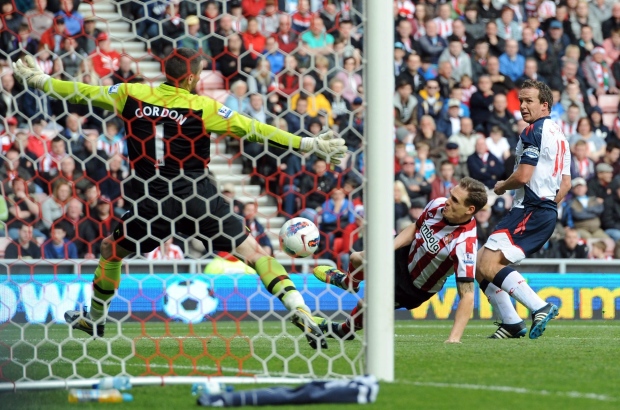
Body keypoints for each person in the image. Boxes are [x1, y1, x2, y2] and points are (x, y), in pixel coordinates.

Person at [12, 48, 347, 349]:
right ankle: (302, 311)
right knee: (255, 253)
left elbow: (81, 92)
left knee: (111, 252)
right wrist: (307, 144)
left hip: (152, 202)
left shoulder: (131, 93)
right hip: (199, 195)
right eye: (199, 76)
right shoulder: (203, 106)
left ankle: (97, 320)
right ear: (190, 78)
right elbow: (255, 129)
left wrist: (40, 80)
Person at [311, 177, 488, 343]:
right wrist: (390, 247)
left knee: (365, 303)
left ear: (470, 209)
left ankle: (344, 330)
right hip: (404, 255)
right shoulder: (438, 205)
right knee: (357, 258)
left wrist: (454, 338)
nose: (448, 201)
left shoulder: (465, 245)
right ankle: (349, 283)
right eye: (451, 195)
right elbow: (415, 228)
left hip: (414, 286)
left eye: (455, 200)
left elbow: (467, 295)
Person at [475, 80, 572, 340]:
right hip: (544, 211)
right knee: (479, 265)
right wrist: (548, 207)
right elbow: (566, 184)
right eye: (520, 101)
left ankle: (540, 307)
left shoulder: (532, 132)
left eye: (529, 101)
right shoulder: (560, 136)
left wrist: (501, 186)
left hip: (530, 209)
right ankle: (511, 322)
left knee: (487, 263)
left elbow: (523, 176)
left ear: (545, 105)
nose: (522, 106)